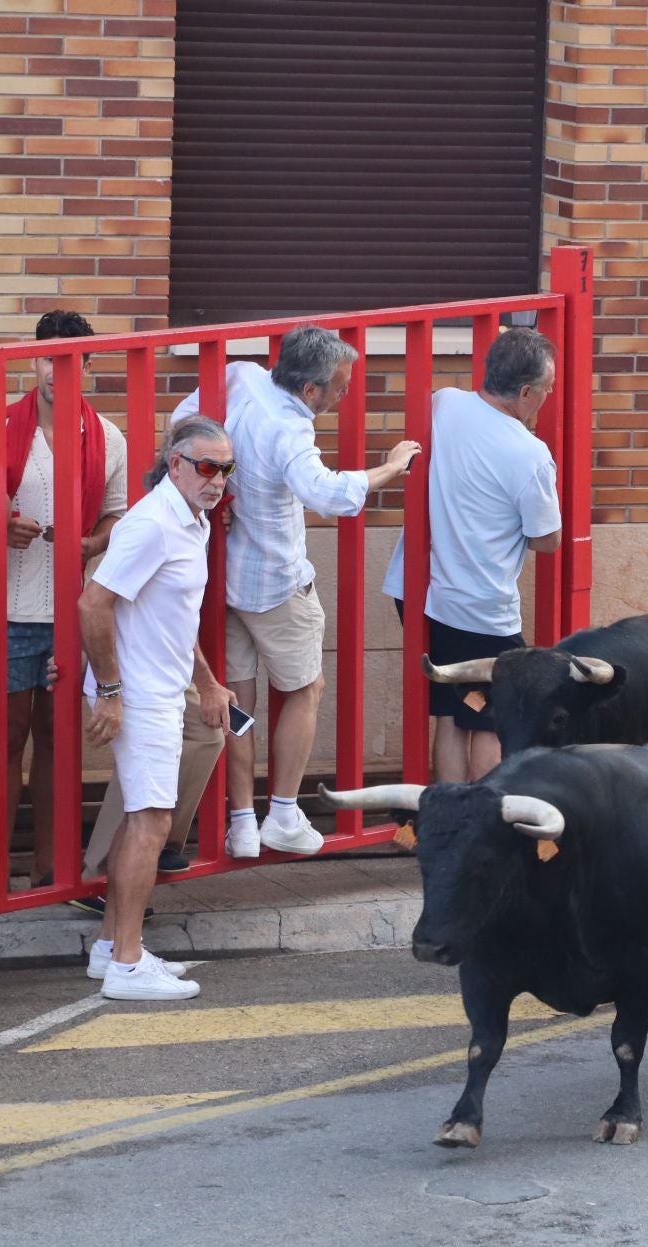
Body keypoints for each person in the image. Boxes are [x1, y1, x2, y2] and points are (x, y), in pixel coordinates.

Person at [173, 326, 418, 857]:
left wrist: (223, 486)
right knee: (306, 691)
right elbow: (326, 493)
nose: (345, 395)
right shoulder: (290, 430)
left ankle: (241, 823)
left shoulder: (240, 376)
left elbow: (183, 425)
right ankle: (282, 813)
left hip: (226, 581)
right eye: (341, 386)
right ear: (310, 390)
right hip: (278, 583)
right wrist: (393, 467)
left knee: (237, 702)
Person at [77, 416, 236, 999]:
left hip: (160, 689)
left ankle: (110, 949)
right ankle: (126, 964)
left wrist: (210, 683)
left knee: (138, 818)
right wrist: (113, 693)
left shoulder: (190, 520)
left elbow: (175, 618)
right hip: (140, 694)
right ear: (175, 464)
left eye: (226, 469)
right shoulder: (151, 525)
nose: (217, 480)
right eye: (207, 467)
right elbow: (93, 605)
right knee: (152, 820)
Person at [382, 326, 561, 782]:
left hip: (419, 593)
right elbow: (547, 539)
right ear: (524, 392)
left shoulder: (444, 402)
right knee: (489, 718)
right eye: (546, 389)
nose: (548, 396)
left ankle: (449, 817)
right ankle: (486, 823)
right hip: (480, 610)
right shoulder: (529, 454)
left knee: (449, 712)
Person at [2, 310, 128, 889]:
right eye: (50, 357)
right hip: (8, 609)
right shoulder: (0, 427)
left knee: (56, 741)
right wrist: (3, 522)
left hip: (69, 612)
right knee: (6, 739)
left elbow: (117, 515)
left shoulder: (108, 436)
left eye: (72, 358)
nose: (59, 369)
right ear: (34, 358)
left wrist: (91, 542)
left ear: (89, 363)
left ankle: (49, 868)